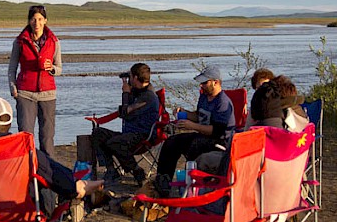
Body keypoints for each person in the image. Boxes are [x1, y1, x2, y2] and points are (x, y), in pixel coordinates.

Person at [0, 97, 102, 215]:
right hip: (18, 215)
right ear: (8, 124)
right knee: (51, 175)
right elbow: (58, 178)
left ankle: (82, 186)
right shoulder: (21, 148)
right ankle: (85, 186)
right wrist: (74, 187)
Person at [153, 64, 235, 197]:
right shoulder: (204, 97)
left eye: (205, 82)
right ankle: (163, 180)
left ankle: (191, 185)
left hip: (219, 141)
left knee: (195, 145)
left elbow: (217, 131)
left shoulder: (223, 103)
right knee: (172, 142)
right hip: (202, 135)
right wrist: (184, 113)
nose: (201, 86)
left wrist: (192, 126)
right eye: (201, 83)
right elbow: (199, 116)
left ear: (216, 82)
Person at [90, 63, 160, 187]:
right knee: (98, 133)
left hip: (141, 135)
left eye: (131, 77)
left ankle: (137, 171)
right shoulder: (138, 92)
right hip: (129, 134)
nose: (129, 79)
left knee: (115, 143)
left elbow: (125, 113)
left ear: (136, 78)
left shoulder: (148, 96)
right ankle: (111, 169)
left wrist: (126, 94)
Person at [8, 5, 62, 158]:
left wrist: (51, 68)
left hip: (48, 94)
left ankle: (49, 172)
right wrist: (13, 87)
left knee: (47, 137)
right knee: (25, 136)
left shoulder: (54, 41)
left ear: (45, 20)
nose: (36, 23)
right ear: (29, 21)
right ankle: (27, 170)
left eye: (39, 19)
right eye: (33, 19)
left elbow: (59, 69)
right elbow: (12, 68)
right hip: (25, 94)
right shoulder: (20, 42)